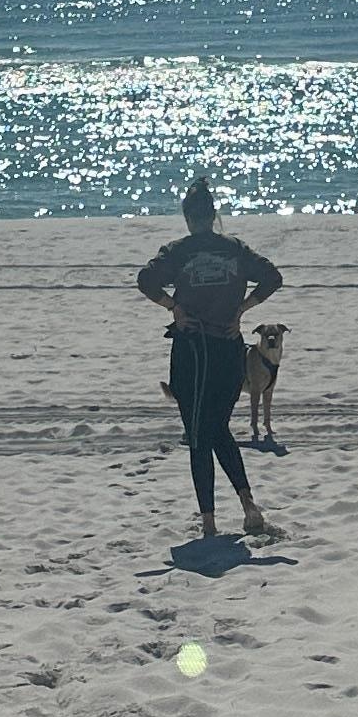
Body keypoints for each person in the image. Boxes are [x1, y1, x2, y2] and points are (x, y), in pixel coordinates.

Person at [136, 175, 283, 543]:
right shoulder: (234, 249)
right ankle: (248, 505)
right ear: (213, 214)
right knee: (216, 428)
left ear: (188, 217)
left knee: (201, 435)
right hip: (230, 352)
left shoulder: (178, 251)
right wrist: (243, 308)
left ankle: (210, 522)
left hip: (193, 352)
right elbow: (272, 277)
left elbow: (145, 280)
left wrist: (174, 307)